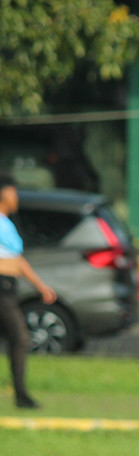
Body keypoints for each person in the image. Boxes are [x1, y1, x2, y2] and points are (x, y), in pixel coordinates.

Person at [0, 173, 57, 409]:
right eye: (13, 191)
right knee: (20, 338)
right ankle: (22, 397)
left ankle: (21, 395)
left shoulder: (8, 224)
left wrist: (41, 286)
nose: (16, 197)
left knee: (17, 338)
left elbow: (18, 260)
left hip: (8, 288)